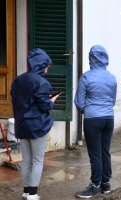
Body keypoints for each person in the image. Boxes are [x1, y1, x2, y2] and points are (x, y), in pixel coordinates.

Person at [10, 48, 58, 200]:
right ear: (42, 64)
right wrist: (52, 101)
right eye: (47, 65)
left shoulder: (18, 80)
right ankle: (33, 194)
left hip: (21, 124)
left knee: (26, 160)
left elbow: (17, 102)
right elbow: (44, 106)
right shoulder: (42, 82)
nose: (47, 68)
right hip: (37, 126)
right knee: (37, 160)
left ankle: (26, 192)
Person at [74, 45, 117, 198]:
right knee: (105, 152)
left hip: (93, 118)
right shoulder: (111, 77)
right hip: (108, 118)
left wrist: (86, 110)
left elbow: (79, 102)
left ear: (91, 58)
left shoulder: (86, 77)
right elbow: (112, 99)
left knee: (95, 154)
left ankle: (94, 186)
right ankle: (106, 184)